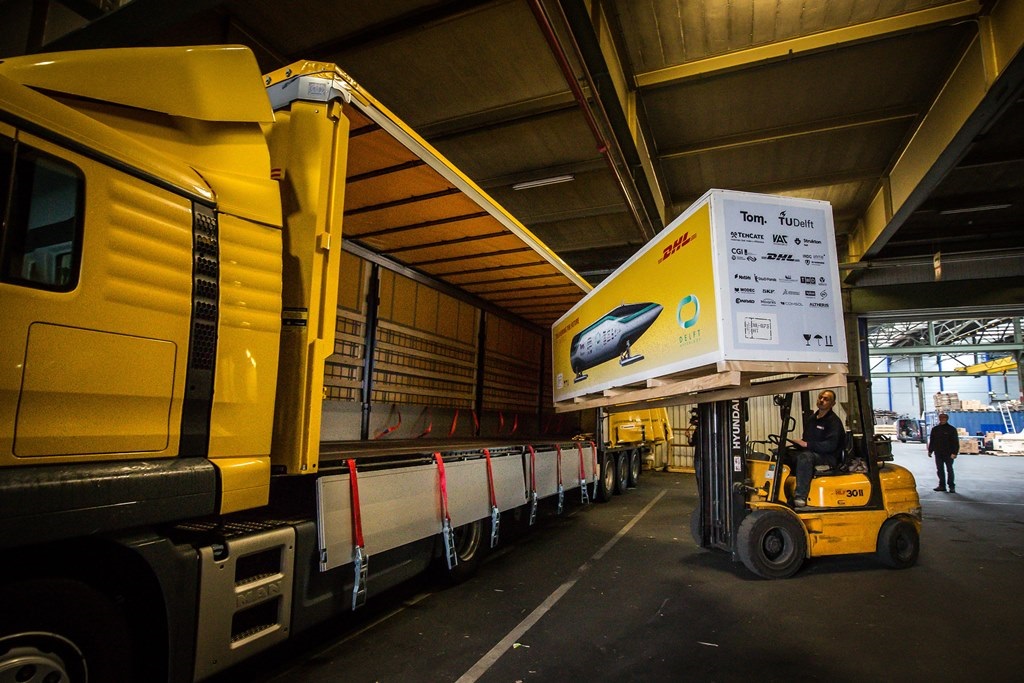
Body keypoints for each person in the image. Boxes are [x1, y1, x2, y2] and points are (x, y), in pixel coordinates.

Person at [788, 389, 845, 508]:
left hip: (828, 457)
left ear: (833, 404)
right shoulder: (812, 419)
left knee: (805, 458)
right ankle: (783, 493)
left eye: (826, 399)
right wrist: (798, 444)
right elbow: (806, 440)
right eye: (820, 397)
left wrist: (807, 445)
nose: (822, 400)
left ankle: (800, 496)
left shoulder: (833, 422)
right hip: (812, 452)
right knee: (783, 454)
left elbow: (830, 445)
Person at [927, 412, 959, 492]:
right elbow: (932, 441)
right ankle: (942, 486)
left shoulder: (951, 429)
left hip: (949, 453)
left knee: (949, 470)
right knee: (940, 470)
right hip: (938, 453)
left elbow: (955, 442)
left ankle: (951, 486)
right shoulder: (935, 429)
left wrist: (955, 453)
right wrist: (930, 451)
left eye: (944, 418)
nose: (942, 419)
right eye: (941, 418)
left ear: (947, 419)